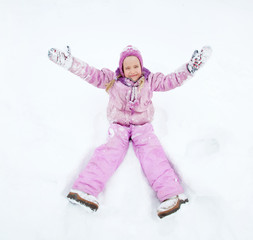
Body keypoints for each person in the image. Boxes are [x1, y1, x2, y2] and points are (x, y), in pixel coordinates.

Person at [48, 45, 212, 218]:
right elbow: (90, 73)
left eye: (136, 66)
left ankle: (172, 194)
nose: (132, 71)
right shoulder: (112, 81)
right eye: (128, 67)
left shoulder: (150, 80)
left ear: (141, 66)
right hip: (119, 125)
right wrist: (70, 63)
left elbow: (171, 80)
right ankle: (84, 189)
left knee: (153, 155)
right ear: (121, 68)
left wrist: (189, 69)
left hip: (143, 126)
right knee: (108, 153)